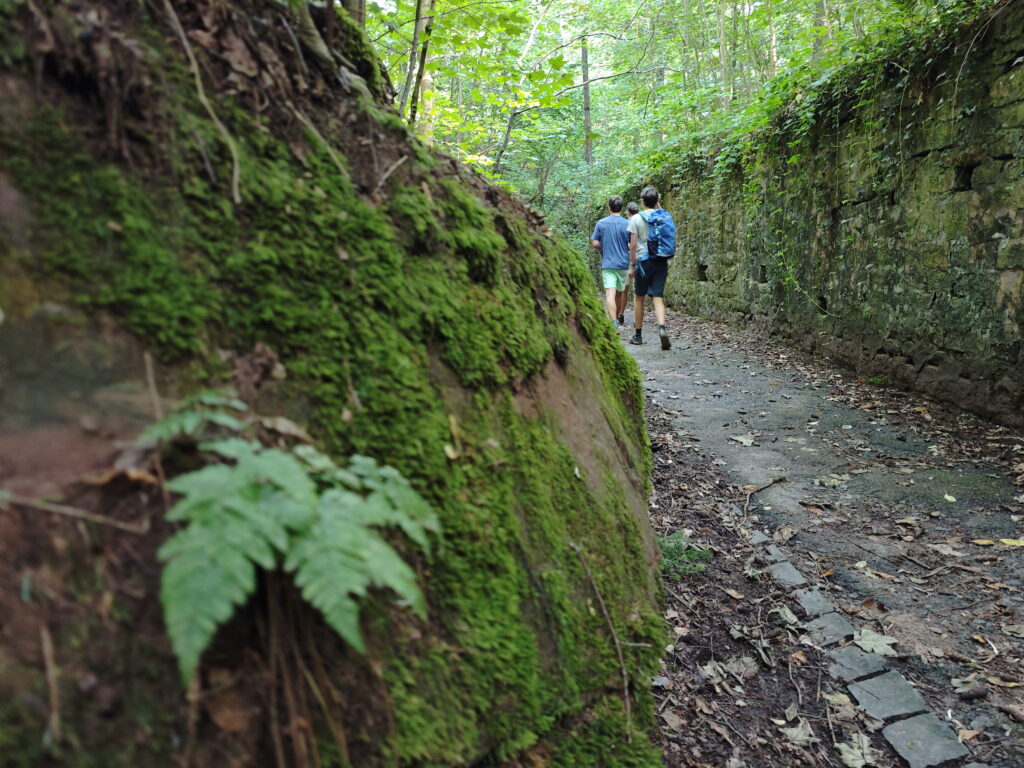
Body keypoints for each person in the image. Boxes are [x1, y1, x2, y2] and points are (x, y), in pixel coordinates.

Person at [627, 186, 674, 349]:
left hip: (643, 262)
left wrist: (632, 265)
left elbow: (633, 246)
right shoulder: (664, 216)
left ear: (642, 201)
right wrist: (657, 201)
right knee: (658, 296)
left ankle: (638, 335)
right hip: (660, 260)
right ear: (657, 201)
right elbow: (659, 210)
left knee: (639, 297)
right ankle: (662, 327)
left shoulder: (636, 219)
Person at [591, 195, 631, 331]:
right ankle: (616, 321)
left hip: (608, 264)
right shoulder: (627, 224)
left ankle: (613, 323)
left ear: (609, 208)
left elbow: (595, 243)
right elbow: (632, 244)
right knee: (619, 294)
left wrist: (602, 250)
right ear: (621, 208)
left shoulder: (601, 223)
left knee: (610, 294)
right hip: (623, 264)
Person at [616, 202, 640, 324]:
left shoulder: (626, 223)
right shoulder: (641, 222)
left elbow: (630, 244)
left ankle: (621, 314)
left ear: (627, 212)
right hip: (641, 258)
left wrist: (631, 263)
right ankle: (637, 318)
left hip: (627, 259)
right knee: (638, 291)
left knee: (623, 289)